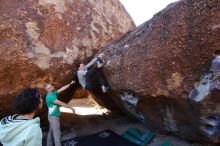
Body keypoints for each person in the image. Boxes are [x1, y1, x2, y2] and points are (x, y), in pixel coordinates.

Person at [45, 81, 76, 146]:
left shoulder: (53, 93)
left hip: (52, 116)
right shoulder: (50, 97)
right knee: (57, 134)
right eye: (51, 87)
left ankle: (49, 144)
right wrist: (71, 108)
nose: (52, 87)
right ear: (48, 90)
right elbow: (61, 103)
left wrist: (70, 83)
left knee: (51, 132)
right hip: (53, 117)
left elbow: (62, 89)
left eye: (52, 86)